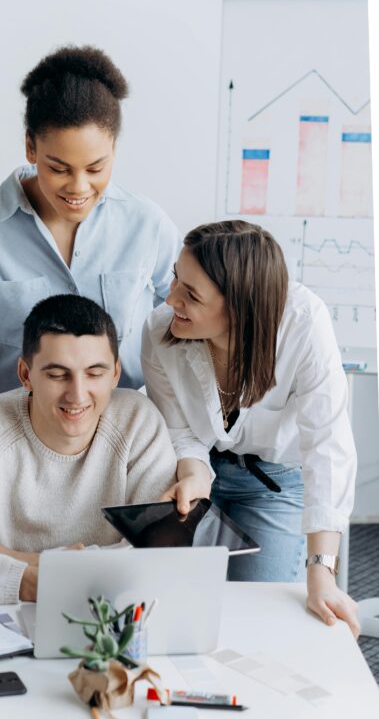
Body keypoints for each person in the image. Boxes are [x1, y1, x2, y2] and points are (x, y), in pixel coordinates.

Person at [141, 219, 360, 637]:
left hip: (276, 483)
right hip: (200, 473)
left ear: (241, 306)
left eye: (191, 295)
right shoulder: (159, 330)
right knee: (169, 604)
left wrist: (322, 571)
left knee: (261, 616)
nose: (170, 299)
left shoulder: (303, 323)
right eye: (175, 279)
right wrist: (194, 474)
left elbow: (326, 446)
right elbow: (180, 429)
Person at [0, 294, 177, 603]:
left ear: (116, 373)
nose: (77, 395)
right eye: (57, 375)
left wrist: (23, 560)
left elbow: (160, 555)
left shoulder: (138, 422)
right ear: (26, 374)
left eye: (94, 373)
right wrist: (23, 580)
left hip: (108, 614)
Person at [0, 45, 180, 399]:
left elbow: (189, 323)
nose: (79, 187)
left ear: (114, 149)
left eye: (96, 168)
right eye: (59, 168)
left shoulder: (147, 225)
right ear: (30, 148)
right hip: (6, 432)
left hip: (118, 427)